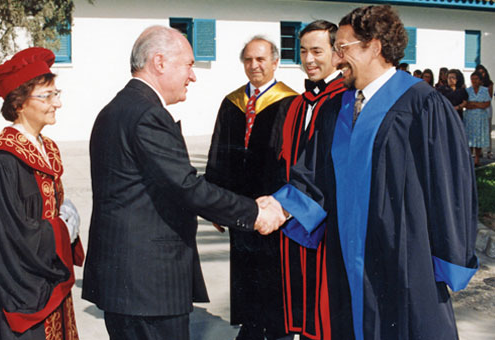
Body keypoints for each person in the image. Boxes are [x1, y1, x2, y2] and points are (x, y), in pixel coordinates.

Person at [266, 5, 478, 340]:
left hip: (405, 260)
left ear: (375, 47)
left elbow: (451, 187)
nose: (336, 59)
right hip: (346, 259)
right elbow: (315, 177)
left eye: (343, 48)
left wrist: (449, 258)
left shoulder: (422, 105)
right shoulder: (337, 108)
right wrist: (279, 207)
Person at [82, 26, 285, 340]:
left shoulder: (116, 109)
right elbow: (186, 187)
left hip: (126, 285)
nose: (193, 76)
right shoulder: (147, 114)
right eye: (189, 64)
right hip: (149, 288)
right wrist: (254, 212)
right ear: (160, 63)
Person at [0, 47, 84, 340]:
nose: (57, 103)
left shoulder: (47, 149)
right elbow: (6, 236)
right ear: (19, 104)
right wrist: (62, 231)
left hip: (51, 285)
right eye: (48, 96)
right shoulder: (4, 161)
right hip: (23, 299)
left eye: (57, 93)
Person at [205, 36, 297, 340]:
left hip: (276, 209)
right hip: (239, 206)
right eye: (248, 59)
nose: (254, 65)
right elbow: (218, 153)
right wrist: (214, 202)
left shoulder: (291, 102)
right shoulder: (232, 102)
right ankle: (252, 326)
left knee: (276, 273)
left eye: (260, 59)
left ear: (275, 62)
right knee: (245, 268)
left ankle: (280, 330)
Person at [276, 20, 347, 340]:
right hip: (297, 216)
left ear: (337, 53)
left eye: (317, 51)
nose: (309, 59)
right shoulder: (296, 104)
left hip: (331, 218)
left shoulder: (346, 100)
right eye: (303, 51)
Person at [464, 71, 491, 166]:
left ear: (479, 80)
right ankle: (469, 157)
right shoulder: (468, 90)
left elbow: (486, 104)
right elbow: (466, 104)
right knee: (469, 137)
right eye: (472, 79)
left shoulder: (484, 90)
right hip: (470, 117)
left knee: (478, 138)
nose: (473, 81)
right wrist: (479, 104)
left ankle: (477, 158)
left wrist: (474, 103)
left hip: (480, 117)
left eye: (476, 79)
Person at [475, 64, 494, 158]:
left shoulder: (489, 83)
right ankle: (479, 151)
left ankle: (489, 151)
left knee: (487, 130)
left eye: (483, 72)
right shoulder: (475, 83)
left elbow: (489, 97)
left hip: (486, 108)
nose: (482, 74)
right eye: (479, 72)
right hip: (477, 108)